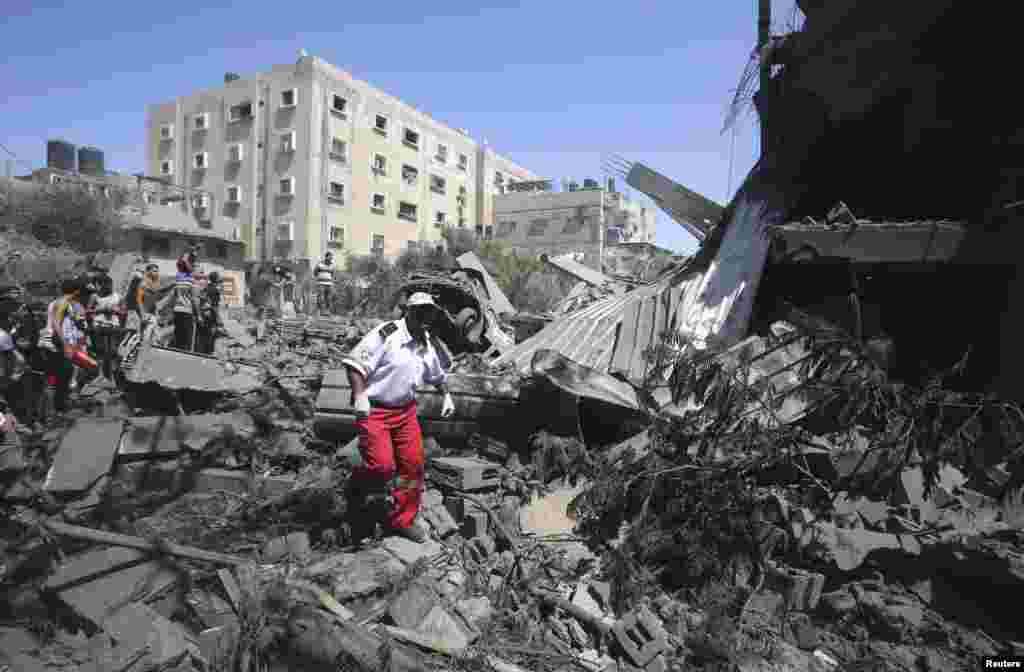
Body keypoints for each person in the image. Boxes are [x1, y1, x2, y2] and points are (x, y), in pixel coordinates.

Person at [341, 292, 456, 543]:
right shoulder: (387, 334)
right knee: (382, 467)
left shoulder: (425, 343)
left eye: (430, 314)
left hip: (405, 412)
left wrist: (446, 395)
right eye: (421, 313)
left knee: (412, 467)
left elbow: (437, 375)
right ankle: (356, 487)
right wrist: (359, 394)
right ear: (409, 312)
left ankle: (402, 519)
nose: (426, 319)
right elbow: (354, 364)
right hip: (375, 410)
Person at [37, 278, 82, 414]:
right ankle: (55, 409)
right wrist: (65, 345)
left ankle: (60, 406)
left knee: (63, 375)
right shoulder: (62, 303)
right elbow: (56, 324)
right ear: (76, 291)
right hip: (55, 344)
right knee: (59, 375)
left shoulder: (62, 303)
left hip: (57, 344)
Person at [89, 274, 123, 380]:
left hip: (113, 325)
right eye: (105, 285)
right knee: (101, 351)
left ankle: (112, 376)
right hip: (99, 325)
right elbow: (88, 311)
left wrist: (116, 311)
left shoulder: (118, 296)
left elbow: (124, 311)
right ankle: (100, 375)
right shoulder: (95, 297)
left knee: (113, 351)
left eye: (109, 284)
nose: (108, 287)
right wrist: (100, 310)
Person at [172, 258, 199, 351]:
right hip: (187, 311)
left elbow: (174, 296)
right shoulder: (191, 280)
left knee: (178, 334)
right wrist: (198, 314)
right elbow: (194, 298)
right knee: (187, 337)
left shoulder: (178, 280)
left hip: (177, 310)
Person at [196, 272, 223, 355]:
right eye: (219, 278)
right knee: (210, 335)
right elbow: (215, 306)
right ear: (216, 279)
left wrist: (200, 314)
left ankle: (200, 352)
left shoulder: (206, 288)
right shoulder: (215, 290)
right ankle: (208, 353)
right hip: (210, 315)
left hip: (203, 314)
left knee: (203, 335)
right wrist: (218, 319)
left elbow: (200, 301)